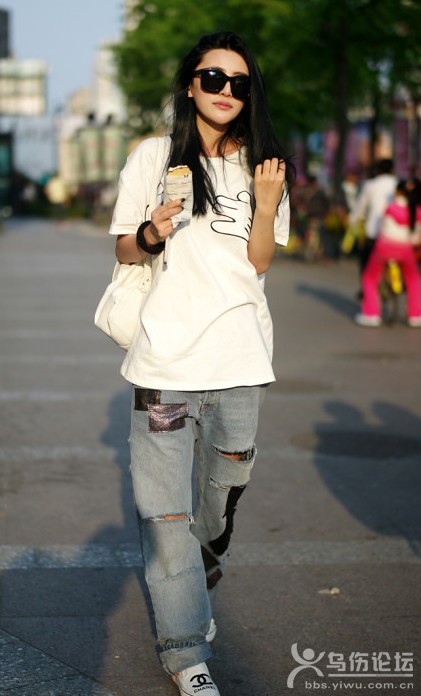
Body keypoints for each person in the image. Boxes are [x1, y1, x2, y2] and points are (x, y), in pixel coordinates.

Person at [107, 31, 294, 696]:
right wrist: (152, 231)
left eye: (239, 83)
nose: (225, 91)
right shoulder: (153, 156)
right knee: (165, 522)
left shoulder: (265, 167)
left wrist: (266, 204)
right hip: (162, 367)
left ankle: (204, 564)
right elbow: (125, 248)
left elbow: (259, 262)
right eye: (213, 77)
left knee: (218, 502)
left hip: (240, 363)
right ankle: (186, 653)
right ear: (190, 84)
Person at [355, 179, 421, 327]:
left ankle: (371, 315)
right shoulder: (416, 211)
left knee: (370, 278)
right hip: (406, 251)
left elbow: (382, 229)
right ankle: (415, 315)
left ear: (398, 192)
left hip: (384, 249)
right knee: (413, 279)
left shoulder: (391, 208)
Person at [350, 158, 397, 287]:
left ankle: (365, 289)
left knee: (366, 263)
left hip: (374, 232)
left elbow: (360, 208)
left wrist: (353, 220)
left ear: (377, 170)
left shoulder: (370, 185)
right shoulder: (398, 184)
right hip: (397, 234)